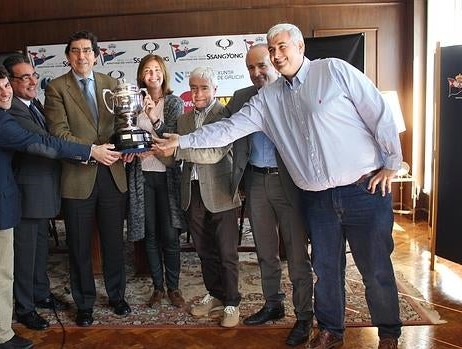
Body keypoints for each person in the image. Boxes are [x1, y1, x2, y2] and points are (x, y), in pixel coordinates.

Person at [154, 23, 403, 349]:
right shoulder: (268, 99)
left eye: (281, 46)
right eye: (271, 49)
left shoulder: (334, 71)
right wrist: (182, 141)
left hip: (363, 190)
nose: (276, 54)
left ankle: (388, 334)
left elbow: (378, 112)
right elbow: (227, 129)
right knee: (326, 270)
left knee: (376, 270)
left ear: (300, 47)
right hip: (317, 198)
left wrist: (391, 164)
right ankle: (331, 331)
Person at [0, 64, 96, 349]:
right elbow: (41, 143)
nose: (5, 92)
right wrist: (89, 151)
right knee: (0, 274)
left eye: (6, 85)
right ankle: (0, 336)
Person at [224, 43, 313, 346]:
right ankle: (273, 304)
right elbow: (219, 127)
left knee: (297, 254)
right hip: (255, 182)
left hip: (288, 183)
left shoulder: (294, 93)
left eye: (262, 65)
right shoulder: (240, 98)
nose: (257, 72)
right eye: (251, 68)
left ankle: (304, 316)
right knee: (265, 251)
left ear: (274, 63)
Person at [44, 30, 131, 327]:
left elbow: (123, 125)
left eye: (87, 51)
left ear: (96, 54)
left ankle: (117, 296)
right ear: (68, 56)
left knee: (113, 244)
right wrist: (92, 151)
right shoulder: (56, 88)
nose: (82, 56)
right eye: (75, 51)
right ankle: (84, 304)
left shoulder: (112, 84)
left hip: (112, 174)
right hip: (77, 178)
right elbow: (58, 133)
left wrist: (127, 149)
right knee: (79, 247)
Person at [2, 54, 70, 331]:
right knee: (25, 252)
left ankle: (40, 293)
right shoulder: (14, 111)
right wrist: (85, 153)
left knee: (40, 249)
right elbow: (45, 143)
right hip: (27, 193)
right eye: (24, 77)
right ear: (9, 81)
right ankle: (25, 307)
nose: (33, 81)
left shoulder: (35, 104)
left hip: (44, 191)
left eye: (33, 74)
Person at [174, 67, 242, 328]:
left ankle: (232, 302)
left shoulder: (225, 114)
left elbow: (214, 153)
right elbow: (171, 155)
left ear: (214, 89)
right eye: (193, 87)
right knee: (204, 251)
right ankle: (215, 295)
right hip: (192, 193)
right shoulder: (183, 120)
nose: (197, 93)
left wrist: (180, 149)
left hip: (221, 193)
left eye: (203, 88)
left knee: (227, 252)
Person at [125, 54, 187, 308]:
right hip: (142, 175)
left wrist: (152, 118)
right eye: (148, 71)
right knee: (150, 234)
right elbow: (127, 134)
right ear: (141, 75)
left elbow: (171, 138)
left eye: (157, 70)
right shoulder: (133, 102)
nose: (153, 75)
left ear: (163, 73)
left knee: (170, 234)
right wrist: (129, 149)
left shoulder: (173, 103)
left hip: (167, 176)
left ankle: (174, 288)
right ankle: (158, 287)